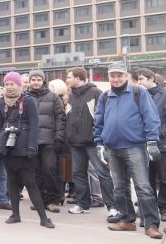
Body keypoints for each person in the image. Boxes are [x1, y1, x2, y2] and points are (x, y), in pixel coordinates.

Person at [94, 62, 164, 239]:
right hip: (112, 148)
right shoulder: (105, 96)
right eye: (112, 75)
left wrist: (151, 141)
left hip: (135, 146)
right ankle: (127, 220)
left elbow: (151, 117)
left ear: (126, 76)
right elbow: (99, 122)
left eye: (119, 75)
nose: (116, 79)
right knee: (119, 187)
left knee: (143, 187)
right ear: (108, 77)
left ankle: (151, 224)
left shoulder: (139, 92)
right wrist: (99, 144)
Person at [0, 72, 55, 228]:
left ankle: (43, 218)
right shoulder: (1, 102)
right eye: (6, 84)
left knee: (30, 183)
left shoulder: (28, 100)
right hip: (7, 148)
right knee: (11, 183)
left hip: (25, 149)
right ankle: (15, 215)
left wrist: (32, 146)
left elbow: (35, 126)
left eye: (12, 84)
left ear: (19, 85)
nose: (9, 87)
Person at [64, 67, 119, 221]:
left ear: (78, 78)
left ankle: (113, 207)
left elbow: (105, 116)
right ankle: (82, 204)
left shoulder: (96, 93)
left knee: (103, 174)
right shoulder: (70, 95)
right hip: (75, 142)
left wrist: (101, 137)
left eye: (69, 77)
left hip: (93, 142)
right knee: (78, 175)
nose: (66, 80)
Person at [136, 68, 166, 222]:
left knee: (165, 178)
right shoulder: (138, 96)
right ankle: (149, 207)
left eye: (141, 79)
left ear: (151, 79)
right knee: (146, 178)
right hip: (142, 144)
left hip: (162, 144)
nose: (138, 82)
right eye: (137, 79)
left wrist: (158, 134)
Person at [26, 70, 66, 213]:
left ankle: (52, 200)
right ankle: (39, 200)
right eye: (33, 79)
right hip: (31, 142)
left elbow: (61, 119)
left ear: (43, 81)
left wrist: (59, 139)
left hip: (49, 141)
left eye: (38, 79)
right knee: (34, 173)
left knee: (49, 170)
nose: (35, 82)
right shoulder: (24, 97)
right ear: (30, 81)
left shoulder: (54, 98)